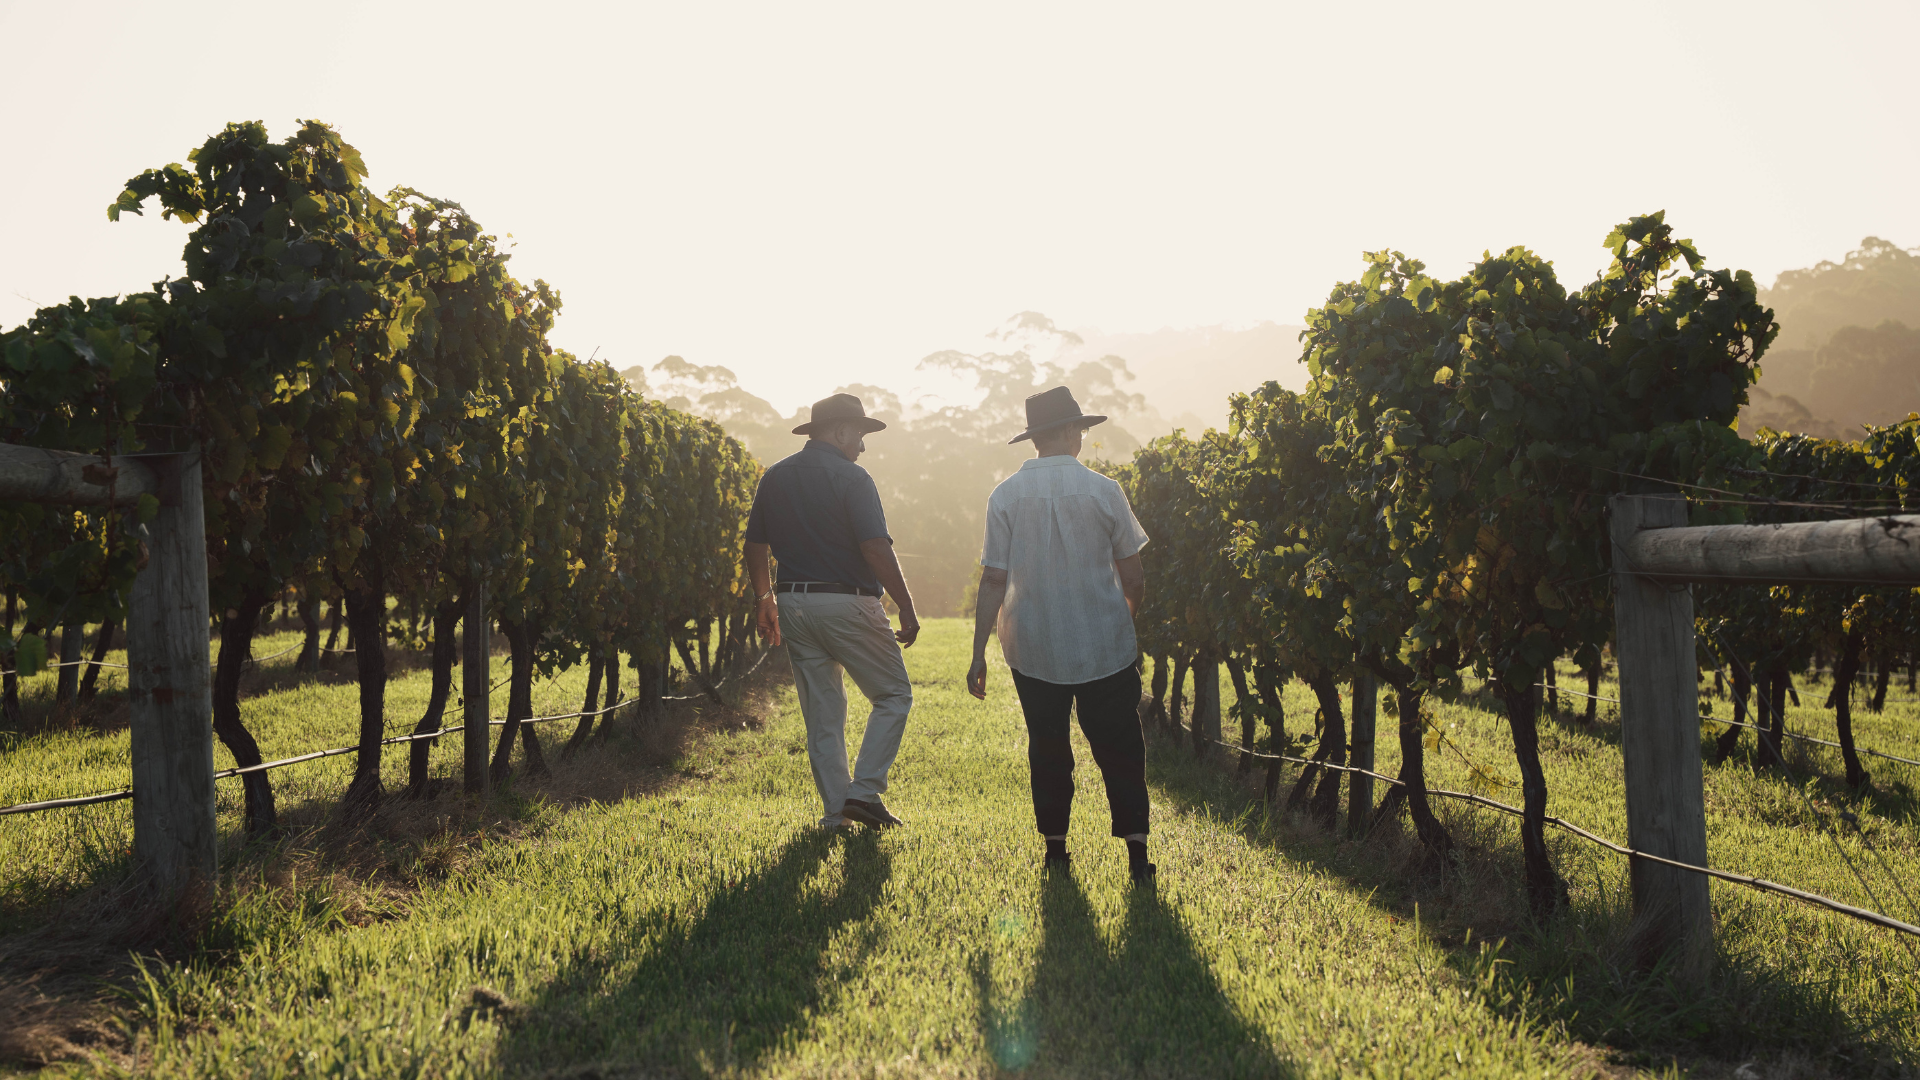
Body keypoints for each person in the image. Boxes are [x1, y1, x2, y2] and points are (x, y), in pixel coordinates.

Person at [966, 386, 1154, 884]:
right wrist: (1119, 620)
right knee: (1120, 748)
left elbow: (992, 579)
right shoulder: (1104, 490)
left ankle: (1056, 851)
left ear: (1035, 438)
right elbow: (1133, 575)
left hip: (1033, 646)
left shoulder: (1003, 496)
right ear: (1071, 432)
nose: (1083, 437)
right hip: (1106, 646)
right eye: (1081, 429)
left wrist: (979, 650)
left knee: (1047, 746)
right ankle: (1137, 856)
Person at [745, 392, 919, 831]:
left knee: (823, 713)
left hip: (793, 603)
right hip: (847, 601)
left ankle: (835, 814)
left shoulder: (775, 477)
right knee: (893, 695)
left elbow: (755, 544)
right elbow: (875, 547)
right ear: (841, 431)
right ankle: (863, 793)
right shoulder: (853, 478)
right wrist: (906, 605)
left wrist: (765, 598)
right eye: (859, 434)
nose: (862, 445)